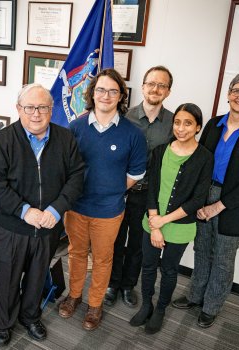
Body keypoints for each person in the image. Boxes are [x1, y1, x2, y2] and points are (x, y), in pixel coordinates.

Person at [0, 83, 84, 345]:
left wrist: (57, 208)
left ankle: (30, 316)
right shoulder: (2, 141)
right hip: (12, 227)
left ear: (51, 110)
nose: (36, 113)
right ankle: (4, 322)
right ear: (19, 109)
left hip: (48, 225)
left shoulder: (65, 138)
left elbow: (76, 176)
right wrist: (24, 211)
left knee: (38, 276)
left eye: (42, 107)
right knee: (7, 278)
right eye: (29, 107)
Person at [172, 72, 239, 328]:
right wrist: (198, 200)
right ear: (228, 94)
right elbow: (199, 163)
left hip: (234, 204)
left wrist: (219, 205)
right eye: (237, 91)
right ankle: (195, 296)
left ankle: (211, 306)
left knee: (224, 260)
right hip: (204, 197)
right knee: (202, 251)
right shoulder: (214, 124)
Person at [58, 68, 147, 331]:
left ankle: (94, 304)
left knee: (102, 258)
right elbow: (63, 166)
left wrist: (112, 191)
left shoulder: (133, 133)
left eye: (112, 91)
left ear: (121, 96)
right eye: (100, 89)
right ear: (92, 93)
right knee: (75, 254)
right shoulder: (75, 127)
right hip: (76, 207)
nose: (106, 95)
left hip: (109, 210)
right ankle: (74, 296)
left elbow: (137, 172)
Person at [129, 103, 213, 334]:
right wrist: (155, 224)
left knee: (168, 269)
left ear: (197, 127)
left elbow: (197, 200)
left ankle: (160, 309)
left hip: (179, 226)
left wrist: (163, 223)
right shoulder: (160, 152)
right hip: (153, 221)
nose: (181, 128)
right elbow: (152, 189)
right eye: (177, 122)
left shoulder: (204, 158)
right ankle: (147, 305)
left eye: (188, 123)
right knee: (147, 266)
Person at [105, 66, 174, 308]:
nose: (155, 89)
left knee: (137, 244)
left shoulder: (174, 123)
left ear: (168, 91)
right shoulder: (124, 117)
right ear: (143, 86)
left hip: (150, 196)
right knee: (114, 240)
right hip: (121, 191)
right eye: (151, 83)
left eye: (162, 85)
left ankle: (127, 286)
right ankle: (112, 284)